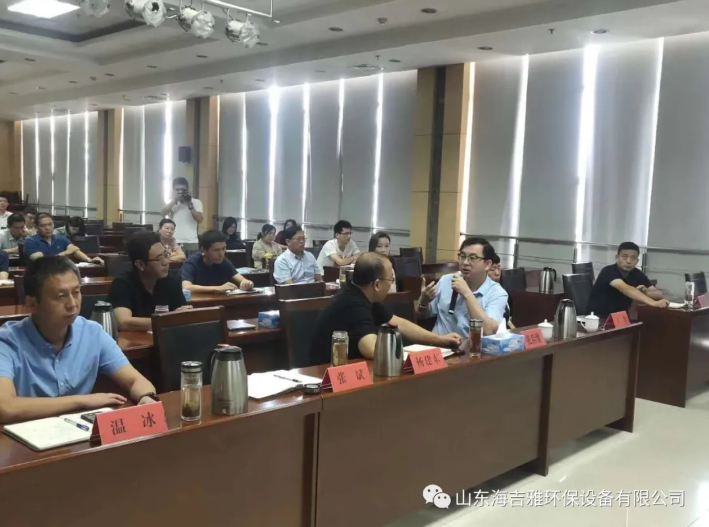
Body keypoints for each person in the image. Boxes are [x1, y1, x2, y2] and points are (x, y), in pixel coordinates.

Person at [0, 257, 159, 424]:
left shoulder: (92, 333)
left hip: (79, 433)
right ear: (32, 303)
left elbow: (136, 380)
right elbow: (5, 407)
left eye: (76, 292)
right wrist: (81, 401)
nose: (72, 304)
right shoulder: (7, 342)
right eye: (61, 296)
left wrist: (146, 397)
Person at [309, 253, 462, 365]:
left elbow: (399, 324)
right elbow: (372, 349)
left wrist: (440, 340)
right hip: (325, 375)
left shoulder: (361, 293)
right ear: (377, 285)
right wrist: (411, 355)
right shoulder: (352, 304)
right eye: (391, 280)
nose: (392, 284)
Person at [419, 237, 508, 337]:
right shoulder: (446, 281)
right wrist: (423, 303)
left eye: (472, 258)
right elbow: (423, 316)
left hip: (472, 346)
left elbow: (488, 331)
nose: (465, 262)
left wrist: (466, 293)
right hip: (438, 344)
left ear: (487, 264)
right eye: (462, 256)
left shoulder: (498, 293)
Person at [109, 231, 192, 332]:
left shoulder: (172, 281)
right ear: (140, 264)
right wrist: (169, 320)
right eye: (159, 258)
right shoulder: (122, 284)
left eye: (166, 255)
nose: (166, 262)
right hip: (133, 340)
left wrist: (183, 315)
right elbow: (124, 322)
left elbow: (182, 316)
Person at [588, 242, 668, 318]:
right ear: (617, 257)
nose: (629, 261)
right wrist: (653, 302)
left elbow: (658, 294)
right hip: (597, 317)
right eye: (625, 257)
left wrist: (646, 292)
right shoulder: (608, 271)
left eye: (633, 258)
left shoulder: (637, 273)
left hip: (620, 318)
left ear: (637, 261)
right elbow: (625, 288)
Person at [182, 230, 254, 293]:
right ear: (203, 250)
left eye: (223, 249)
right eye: (216, 250)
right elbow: (186, 287)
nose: (221, 254)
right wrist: (218, 288)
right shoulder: (192, 262)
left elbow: (240, 279)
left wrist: (247, 283)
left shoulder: (223, 261)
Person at [25, 213, 104, 266]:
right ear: (36, 227)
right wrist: (66, 252)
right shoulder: (31, 241)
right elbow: (42, 262)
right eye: (43, 226)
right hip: (41, 275)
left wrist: (89, 260)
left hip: (61, 272)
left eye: (50, 224)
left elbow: (75, 251)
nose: (48, 228)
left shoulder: (61, 239)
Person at [161, 177, 203, 248]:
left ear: (188, 190)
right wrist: (174, 201)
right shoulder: (172, 203)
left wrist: (190, 205)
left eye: (183, 190)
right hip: (174, 240)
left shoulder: (196, 202)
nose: (180, 192)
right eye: (177, 190)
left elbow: (200, 220)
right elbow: (163, 213)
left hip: (191, 241)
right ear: (173, 190)